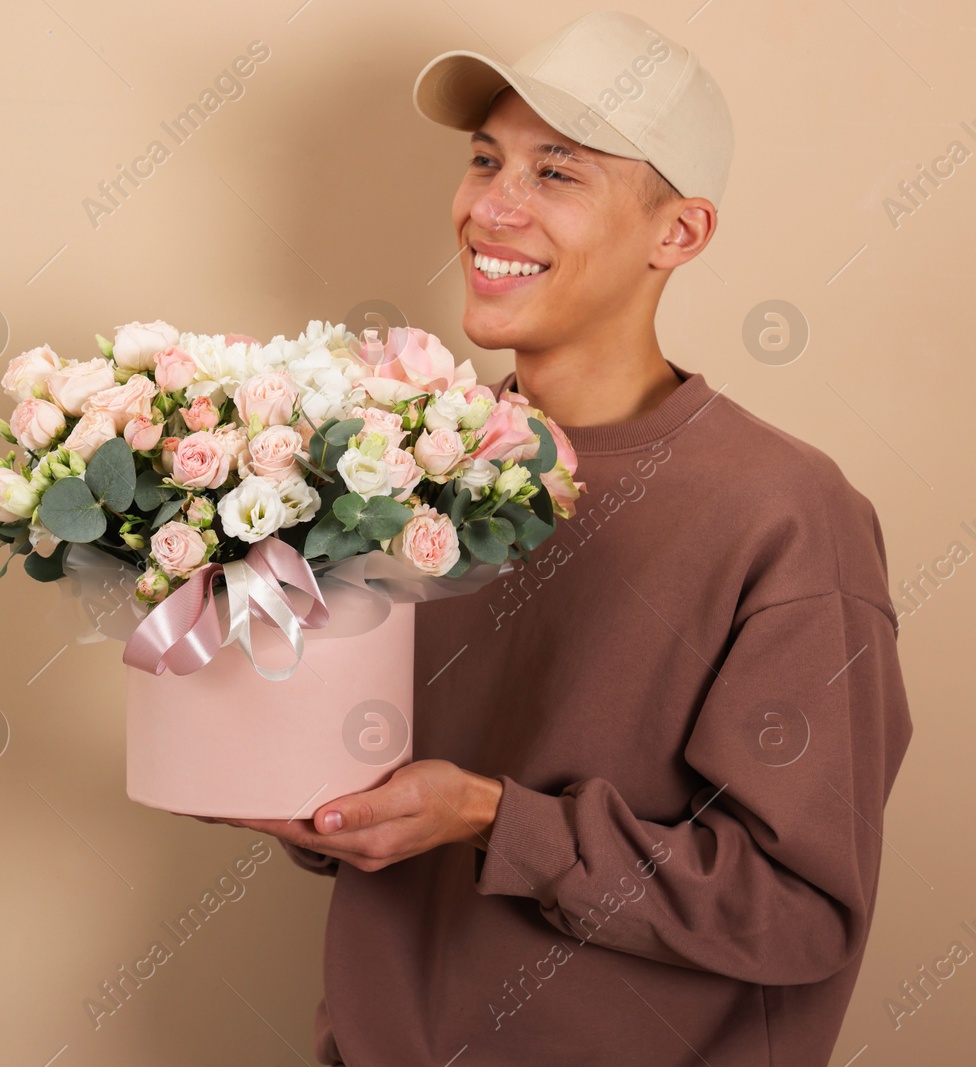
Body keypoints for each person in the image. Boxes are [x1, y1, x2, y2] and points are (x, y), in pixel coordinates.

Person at [190, 11, 914, 1066]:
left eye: (556, 172)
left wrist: (490, 818)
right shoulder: (396, 470)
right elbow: (386, 802)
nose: (490, 204)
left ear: (679, 233)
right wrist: (290, 784)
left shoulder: (785, 513)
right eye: (485, 158)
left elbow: (798, 911)